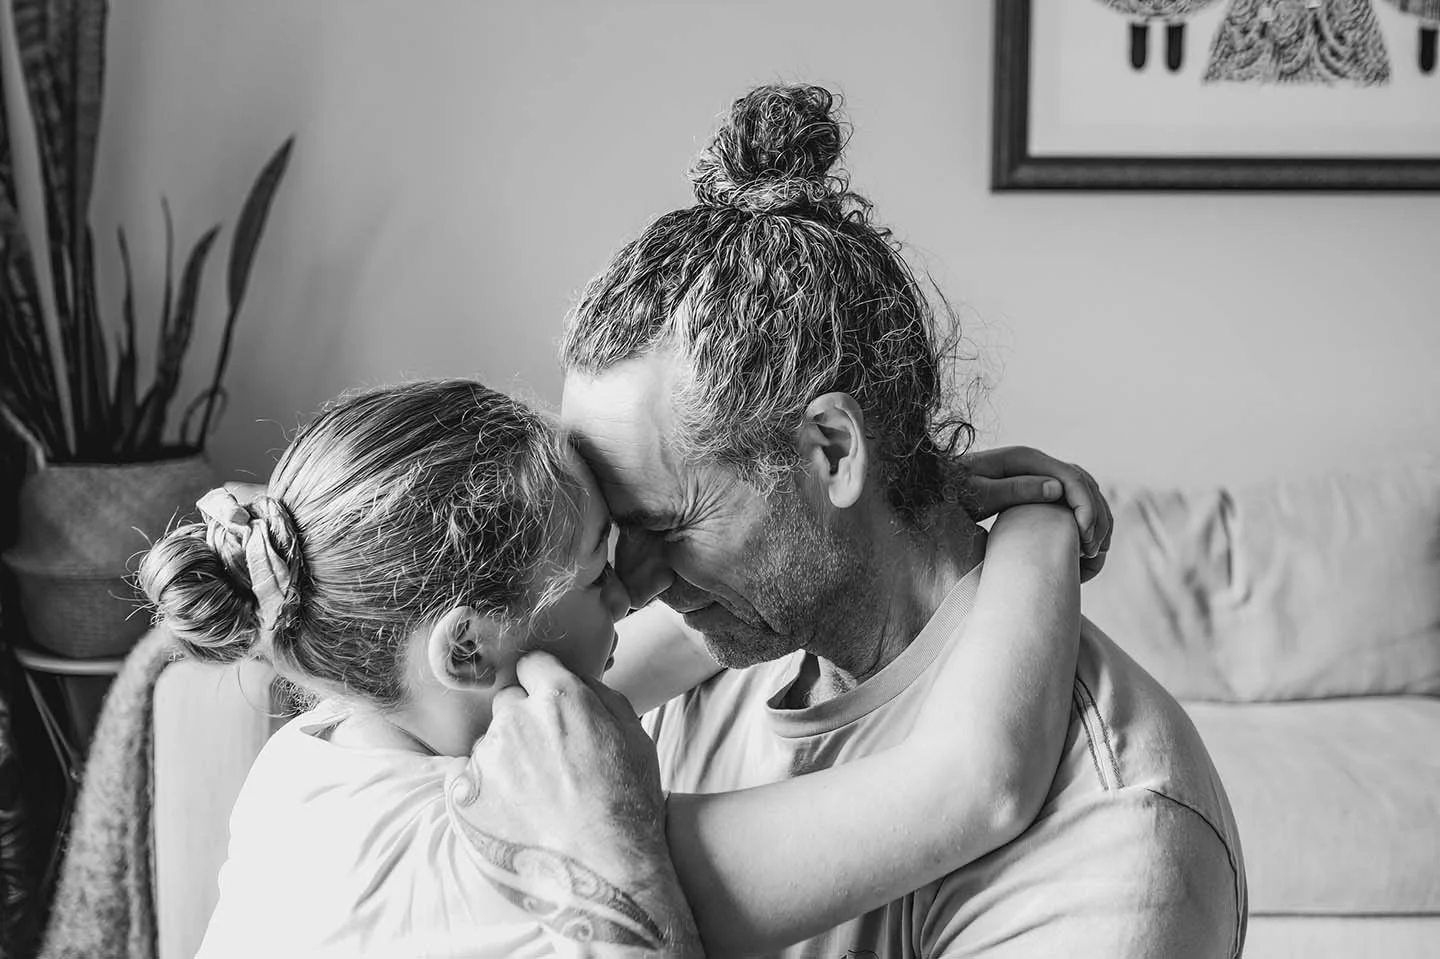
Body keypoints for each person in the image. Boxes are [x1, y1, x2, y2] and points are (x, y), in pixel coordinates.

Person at [468, 83, 1248, 957]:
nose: (635, 584)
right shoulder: (713, 652)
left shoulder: (1114, 843)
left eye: (671, 520)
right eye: (620, 530)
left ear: (834, 450)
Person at [140, 378, 1103, 957]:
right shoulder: (507, 848)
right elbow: (972, 787)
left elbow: (667, 640)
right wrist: (1037, 525)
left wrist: (896, 510)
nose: (634, 586)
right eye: (602, 564)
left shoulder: (313, 758)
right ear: (468, 644)